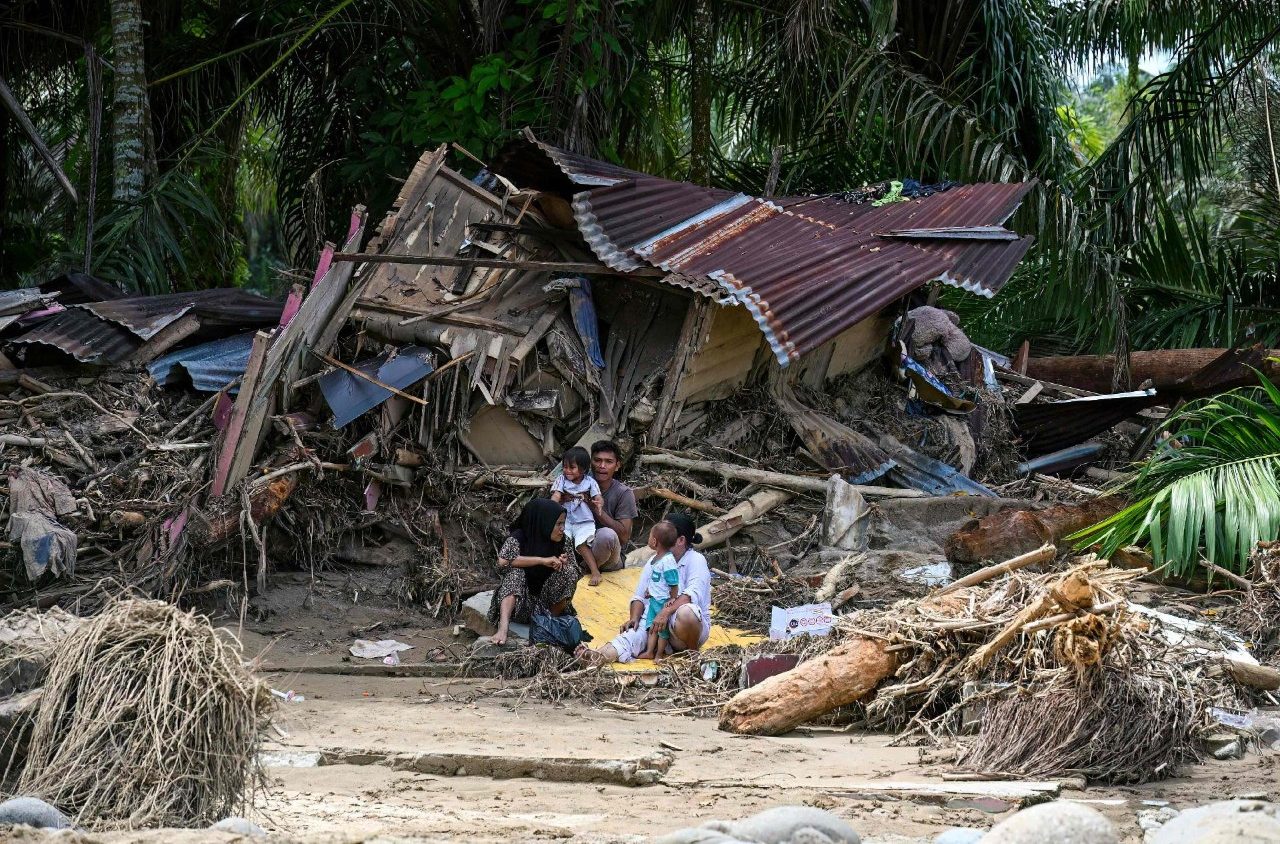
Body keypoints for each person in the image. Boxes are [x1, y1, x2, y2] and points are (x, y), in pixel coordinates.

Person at [577, 513, 711, 665]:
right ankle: (596, 656)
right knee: (628, 638)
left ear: (680, 540)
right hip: (655, 622)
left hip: (683, 629)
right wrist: (634, 618)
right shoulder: (655, 560)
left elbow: (691, 595)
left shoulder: (696, 560)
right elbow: (639, 596)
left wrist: (665, 612)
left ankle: (693, 652)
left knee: (687, 612)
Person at [488, 498, 579, 646]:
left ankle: (548, 625)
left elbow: (575, 570)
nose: (562, 528)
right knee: (516, 573)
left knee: (568, 572)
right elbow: (502, 562)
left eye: (563, 523)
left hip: (545, 606)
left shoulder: (563, 541)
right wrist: (542, 560)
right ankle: (503, 628)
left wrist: (564, 563)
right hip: (521, 604)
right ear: (544, 522)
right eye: (558, 524)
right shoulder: (519, 537)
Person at [551, 446, 605, 586]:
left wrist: (599, 503)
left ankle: (595, 572)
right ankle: (570, 572)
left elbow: (598, 496)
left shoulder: (590, 482)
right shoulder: (561, 480)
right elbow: (556, 495)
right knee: (563, 545)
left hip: (584, 520)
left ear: (583, 469)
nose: (567, 470)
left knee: (581, 545)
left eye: (572, 467)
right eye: (565, 467)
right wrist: (550, 508)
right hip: (565, 520)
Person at [588, 440, 638, 572]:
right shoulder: (578, 486)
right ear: (590, 462)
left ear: (617, 466)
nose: (602, 466)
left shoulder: (624, 493)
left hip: (609, 558)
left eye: (608, 462)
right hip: (580, 549)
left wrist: (596, 509)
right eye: (597, 460)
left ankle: (585, 568)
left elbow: (624, 537)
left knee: (606, 536)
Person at [636, 522, 680, 661]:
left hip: (662, 601)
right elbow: (657, 579)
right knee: (651, 626)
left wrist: (672, 598)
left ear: (654, 541)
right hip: (654, 600)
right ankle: (649, 651)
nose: (648, 539)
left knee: (662, 630)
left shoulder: (668, 561)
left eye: (650, 536)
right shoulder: (656, 558)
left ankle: (659, 654)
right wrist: (650, 590)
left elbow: (674, 582)